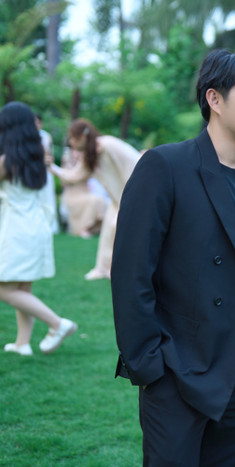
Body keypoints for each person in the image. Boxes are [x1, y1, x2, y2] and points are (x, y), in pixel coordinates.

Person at [111, 48, 235, 466]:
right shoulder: (165, 166)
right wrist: (150, 367)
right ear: (214, 99)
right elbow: (131, 274)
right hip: (177, 372)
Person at [0, 101, 77, 356]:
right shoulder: (38, 157)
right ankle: (22, 344)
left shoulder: (7, 161)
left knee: (5, 290)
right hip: (36, 226)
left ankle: (57, 323)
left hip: (17, 228)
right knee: (22, 289)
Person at [49, 118, 140, 280]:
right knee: (107, 236)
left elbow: (134, 163)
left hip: (132, 197)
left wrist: (135, 196)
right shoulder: (89, 156)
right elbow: (73, 176)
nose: (71, 142)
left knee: (118, 230)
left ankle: (120, 270)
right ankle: (103, 269)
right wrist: (51, 167)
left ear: (82, 137)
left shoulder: (108, 144)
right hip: (117, 201)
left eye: (72, 138)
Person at [58, 146, 108, 237]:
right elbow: (65, 182)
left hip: (85, 193)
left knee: (100, 200)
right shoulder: (67, 166)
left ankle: (94, 228)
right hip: (72, 195)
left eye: (80, 151)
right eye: (76, 151)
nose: (77, 154)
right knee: (93, 200)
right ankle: (83, 228)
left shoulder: (85, 165)